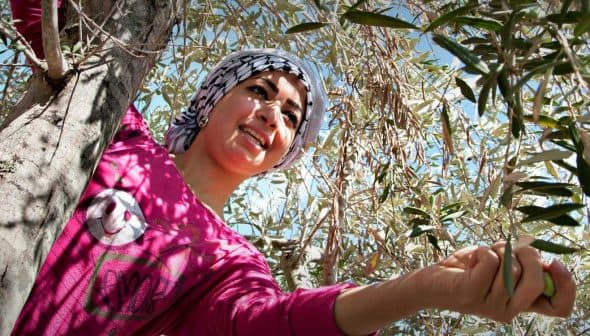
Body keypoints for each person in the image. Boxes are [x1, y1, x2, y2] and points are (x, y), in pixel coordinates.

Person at [9, 1, 576, 335]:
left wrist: (421, 287)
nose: (271, 115)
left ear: (286, 150)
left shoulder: (230, 264)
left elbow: (274, 324)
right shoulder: (119, 133)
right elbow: (51, 18)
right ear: (210, 101)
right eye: (259, 90)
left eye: (290, 115)